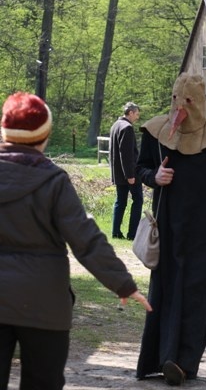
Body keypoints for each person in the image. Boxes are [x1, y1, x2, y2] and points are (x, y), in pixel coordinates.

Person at [0, 92, 151, 390]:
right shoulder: (54, 181)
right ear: (44, 136)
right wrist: (122, 283)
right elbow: (86, 240)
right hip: (45, 304)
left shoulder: (55, 181)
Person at [135, 73, 206, 385]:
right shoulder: (156, 132)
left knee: (197, 295)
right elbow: (139, 167)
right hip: (168, 227)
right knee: (167, 290)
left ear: (198, 102)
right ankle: (163, 357)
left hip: (200, 229)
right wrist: (153, 177)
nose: (180, 107)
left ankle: (182, 362)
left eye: (187, 101)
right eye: (175, 99)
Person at [109, 101, 143, 240]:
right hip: (130, 173)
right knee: (138, 201)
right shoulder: (127, 128)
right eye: (136, 114)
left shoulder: (115, 125)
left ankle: (115, 232)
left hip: (118, 173)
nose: (137, 117)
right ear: (130, 113)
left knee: (120, 201)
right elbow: (126, 154)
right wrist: (130, 175)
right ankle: (132, 233)